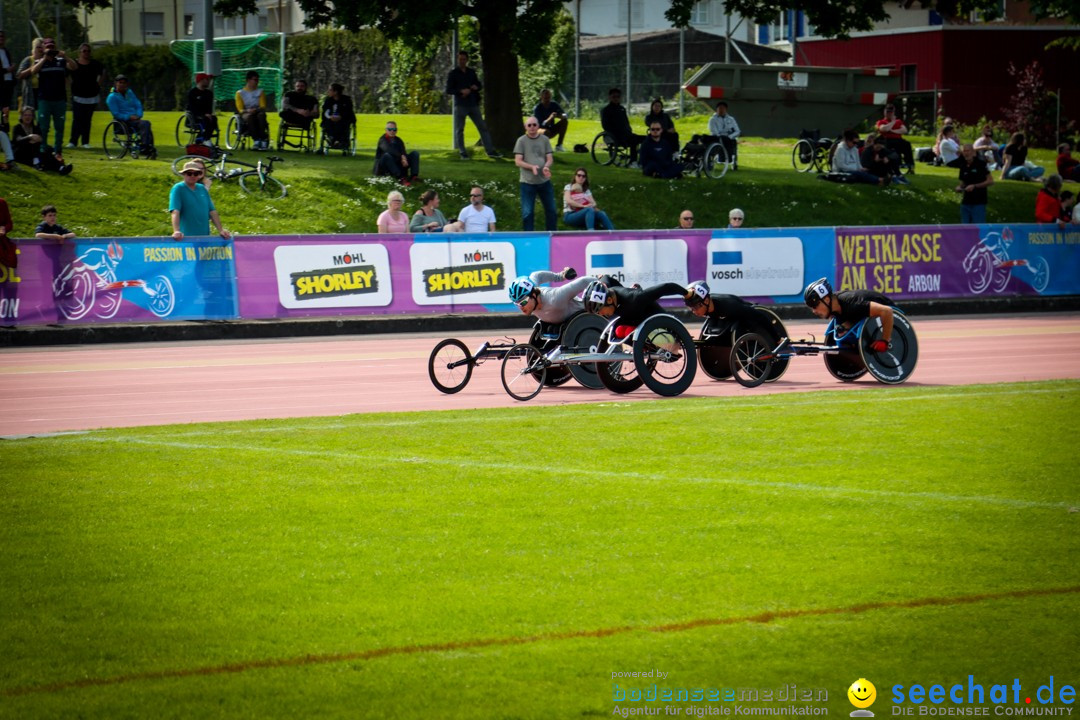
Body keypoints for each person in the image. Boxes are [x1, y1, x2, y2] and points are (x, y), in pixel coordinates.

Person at [803, 277, 895, 353]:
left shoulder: (853, 304)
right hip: (862, 314)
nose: (814, 311)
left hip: (889, 315)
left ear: (826, 299)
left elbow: (887, 311)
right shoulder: (835, 307)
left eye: (815, 306)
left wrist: (885, 341)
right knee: (841, 330)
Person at [445, 51, 500, 159]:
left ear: (467, 60)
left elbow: (479, 84)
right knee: (460, 129)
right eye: (460, 59)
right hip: (460, 104)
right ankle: (462, 152)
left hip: (473, 103)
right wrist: (461, 91)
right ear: (457, 60)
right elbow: (448, 89)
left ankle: (490, 151)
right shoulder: (453, 74)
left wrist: (476, 87)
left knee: (482, 127)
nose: (462, 61)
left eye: (464, 59)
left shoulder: (471, 72)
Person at [581, 276, 688, 331]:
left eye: (600, 310)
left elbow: (665, 288)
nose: (600, 314)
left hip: (658, 322)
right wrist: (601, 279)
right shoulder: (607, 291)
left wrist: (686, 293)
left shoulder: (635, 298)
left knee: (622, 329)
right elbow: (606, 278)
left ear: (609, 301)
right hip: (632, 317)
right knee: (617, 331)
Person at [508, 268, 592, 328]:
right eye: (517, 304)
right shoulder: (532, 289)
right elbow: (536, 275)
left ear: (533, 295)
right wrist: (560, 276)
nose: (521, 307)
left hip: (584, 319)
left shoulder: (555, 298)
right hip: (560, 325)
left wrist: (602, 282)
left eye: (523, 302)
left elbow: (584, 281)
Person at [25, 37, 68, 153]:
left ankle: (58, 150)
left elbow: (74, 67)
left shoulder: (61, 61)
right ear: (44, 48)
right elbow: (33, 71)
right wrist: (45, 58)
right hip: (45, 99)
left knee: (59, 127)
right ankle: (43, 148)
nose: (50, 49)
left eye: (52, 47)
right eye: (48, 47)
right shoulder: (39, 61)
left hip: (59, 99)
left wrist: (65, 56)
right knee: (43, 127)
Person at [513, 116, 557, 231]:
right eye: (529, 125)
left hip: (544, 181)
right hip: (527, 182)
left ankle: (552, 234)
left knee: (551, 210)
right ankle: (529, 237)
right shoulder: (521, 141)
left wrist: (546, 167)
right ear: (525, 127)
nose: (532, 127)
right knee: (528, 213)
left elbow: (549, 158)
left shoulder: (545, 140)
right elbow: (518, 161)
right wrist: (531, 167)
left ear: (538, 126)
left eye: (534, 125)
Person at [169, 160, 230, 240]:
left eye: (196, 174)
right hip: (186, 237)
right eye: (189, 173)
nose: (192, 176)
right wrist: (176, 231)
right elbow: (175, 211)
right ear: (184, 174)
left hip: (204, 236)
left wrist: (221, 230)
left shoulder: (202, 188)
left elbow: (212, 211)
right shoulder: (178, 188)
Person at [105, 74, 156, 158]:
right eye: (120, 82)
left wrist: (139, 115)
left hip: (134, 119)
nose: (122, 84)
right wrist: (129, 116)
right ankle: (145, 147)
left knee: (146, 124)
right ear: (115, 83)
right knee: (145, 124)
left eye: (124, 83)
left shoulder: (130, 92)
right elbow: (116, 114)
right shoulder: (111, 97)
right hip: (122, 121)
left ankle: (147, 147)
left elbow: (138, 104)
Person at [11, 105, 71, 173]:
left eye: (30, 115)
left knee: (47, 152)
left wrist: (34, 140)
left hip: (34, 151)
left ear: (33, 117)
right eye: (25, 115)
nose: (28, 117)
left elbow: (39, 140)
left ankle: (61, 168)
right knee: (42, 156)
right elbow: (18, 140)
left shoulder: (35, 128)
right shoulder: (17, 127)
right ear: (21, 116)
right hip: (20, 153)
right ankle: (41, 164)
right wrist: (30, 137)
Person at [66, 43, 103, 149]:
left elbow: (103, 72)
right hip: (78, 96)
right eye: (84, 51)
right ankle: (73, 141)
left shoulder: (95, 64)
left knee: (87, 120)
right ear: (80, 52)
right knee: (77, 119)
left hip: (91, 96)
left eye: (88, 51)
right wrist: (70, 86)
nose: (86, 53)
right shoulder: (74, 64)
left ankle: (85, 141)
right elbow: (66, 74)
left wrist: (98, 84)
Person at [600, 88, 644, 167]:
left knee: (647, 138)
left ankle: (643, 160)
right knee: (634, 140)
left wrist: (628, 130)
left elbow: (626, 122)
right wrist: (617, 132)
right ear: (609, 97)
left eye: (618, 97)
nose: (616, 98)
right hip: (615, 136)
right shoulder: (606, 110)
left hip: (627, 134)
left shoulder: (622, 109)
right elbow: (605, 125)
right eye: (614, 97)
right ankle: (633, 161)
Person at [955, 143, 994, 225]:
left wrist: (975, 186)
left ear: (973, 152)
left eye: (968, 151)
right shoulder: (963, 166)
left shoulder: (981, 164)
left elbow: (990, 181)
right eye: (964, 151)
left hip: (978, 202)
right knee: (965, 227)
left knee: (978, 228)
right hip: (966, 202)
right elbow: (963, 183)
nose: (966, 153)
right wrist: (959, 187)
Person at [373, 120, 420, 185]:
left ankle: (414, 176)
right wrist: (402, 157)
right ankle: (401, 178)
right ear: (386, 130)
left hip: (398, 162)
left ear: (396, 130)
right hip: (385, 165)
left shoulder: (399, 140)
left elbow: (403, 151)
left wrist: (404, 157)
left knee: (415, 153)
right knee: (387, 155)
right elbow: (388, 150)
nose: (392, 131)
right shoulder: (382, 140)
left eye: (394, 129)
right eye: (389, 129)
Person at [235, 70, 270, 150]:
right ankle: (256, 140)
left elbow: (263, 105)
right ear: (248, 80)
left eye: (257, 80)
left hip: (257, 111)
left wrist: (256, 109)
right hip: (246, 112)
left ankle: (263, 138)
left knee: (261, 116)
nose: (256, 82)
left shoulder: (260, 91)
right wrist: (247, 111)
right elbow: (240, 108)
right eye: (255, 80)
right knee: (250, 117)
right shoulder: (240, 93)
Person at [874, 104, 914, 174]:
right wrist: (892, 122)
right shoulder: (881, 122)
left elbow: (904, 130)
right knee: (890, 146)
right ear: (884, 112)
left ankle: (909, 164)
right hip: (887, 140)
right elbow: (884, 129)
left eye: (891, 112)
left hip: (898, 140)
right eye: (888, 111)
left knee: (907, 144)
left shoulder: (898, 121)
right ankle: (895, 164)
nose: (889, 113)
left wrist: (891, 130)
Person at [186, 73, 218, 145]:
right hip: (195, 115)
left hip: (206, 115)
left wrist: (208, 114)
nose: (208, 81)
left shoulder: (209, 93)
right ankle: (206, 139)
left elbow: (209, 107)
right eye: (206, 80)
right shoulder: (192, 93)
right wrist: (203, 114)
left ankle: (205, 138)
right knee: (206, 119)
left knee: (213, 119)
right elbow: (192, 107)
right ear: (201, 81)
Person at [321, 83, 355, 150]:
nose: (328, 91)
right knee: (328, 124)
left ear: (336, 92)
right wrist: (330, 117)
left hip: (343, 120)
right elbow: (325, 111)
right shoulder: (328, 101)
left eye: (330, 90)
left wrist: (341, 116)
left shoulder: (346, 100)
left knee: (342, 125)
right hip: (330, 120)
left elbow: (348, 112)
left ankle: (341, 141)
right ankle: (332, 139)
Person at [707, 101, 740, 169]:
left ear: (726, 109)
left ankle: (729, 158)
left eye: (723, 108)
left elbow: (737, 131)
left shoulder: (731, 119)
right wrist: (721, 136)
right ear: (717, 110)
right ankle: (722, 158)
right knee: (722, 139)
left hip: (729, 137)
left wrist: (730, 136)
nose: (721, 110)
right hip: (717, 137)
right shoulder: (713, 119)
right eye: (719, 108)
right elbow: (714, 131)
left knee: (730, 140)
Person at [15, 38, 43, 111]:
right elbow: (19, 75)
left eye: (41, 47)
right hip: (30, 92)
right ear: (34, 49)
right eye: (38, 47)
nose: (40, 49)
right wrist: (33, 68)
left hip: (43, 92)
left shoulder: (45, 60)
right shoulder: (28, 60)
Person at [1, 30, 19, 130]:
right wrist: (7, 70)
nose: (1, 38)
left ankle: (5, 129)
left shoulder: (6, 51)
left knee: (6, 109)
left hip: (8, 83)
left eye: (3, 36)